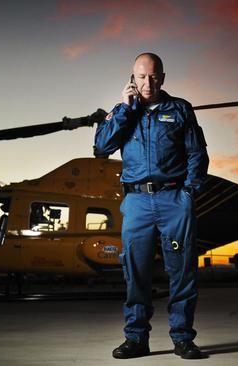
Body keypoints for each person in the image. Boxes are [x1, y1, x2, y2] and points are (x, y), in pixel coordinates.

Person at [94, 53, 209, 359]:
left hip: (174, 199)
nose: (148, 83)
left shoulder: (180, 109)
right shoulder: (121, 111)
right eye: (141, 77)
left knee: (182, 271)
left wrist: (188, 193)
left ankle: (183, 339)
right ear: (132, 78)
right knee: (135, 272)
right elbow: (100, 148)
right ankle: (136, 339)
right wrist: (124, 110)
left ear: (163, 77)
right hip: (137, 202)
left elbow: (198, 154)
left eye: (154, 77)